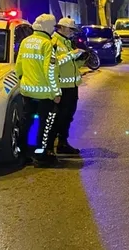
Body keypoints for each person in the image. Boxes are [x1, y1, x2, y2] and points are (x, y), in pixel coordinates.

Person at [15, 14, 78, 167]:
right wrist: (56, 93)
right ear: (47, 26)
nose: (53, 29)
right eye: (52, 26)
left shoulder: (25, 41)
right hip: (44, 94)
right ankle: (41, 156)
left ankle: (23, 154)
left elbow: (19, 66)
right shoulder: (46, 44)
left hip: (27, 91)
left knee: (26, 123)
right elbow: (50, 71)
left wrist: (24, 81)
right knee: (45, 126)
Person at [52, 17, 86, 155]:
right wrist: (73, 54)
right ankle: (55, 145)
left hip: (71, 86)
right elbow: (55, 63)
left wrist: (82, 60)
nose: (72, 32)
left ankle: (62, 143)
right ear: (62, 27)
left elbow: (71, 65)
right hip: (62, 87)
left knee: (68, 116)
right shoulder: (54, 42)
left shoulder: (67, 42)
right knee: (60, 117)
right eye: (70, 29)